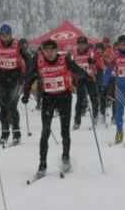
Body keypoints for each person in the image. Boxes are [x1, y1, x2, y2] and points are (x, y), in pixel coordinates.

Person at [22, 39, 88, 178]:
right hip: (48, 98)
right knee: (45, 132)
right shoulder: (38, 62)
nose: (49, 53)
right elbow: (29, 78)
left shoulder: (64, 59)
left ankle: (65, 158)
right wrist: (26, 94)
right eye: (47, 50)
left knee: (64, 131)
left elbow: (77, 70)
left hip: (64, 97)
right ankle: (42, 164)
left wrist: (84, 76)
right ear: (43, 51)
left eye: (52, 50)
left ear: (56, 50)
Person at [0, 24, 30, 145]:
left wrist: (25, 74)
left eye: (6, 35)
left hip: (15, 77)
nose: (4, 37)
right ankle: (5, 134)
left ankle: (16, 133)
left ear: (10, 34)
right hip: (1, 77)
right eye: (2, 35)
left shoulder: (17, 44)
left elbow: (28, 59)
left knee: (12, 105)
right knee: (3, 106)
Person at [72, 36, 99, 129]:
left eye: (83, 44)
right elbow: (72, 68)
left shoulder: (91, 53)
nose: (81, 46)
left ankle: (95, 114)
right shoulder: (74, 55)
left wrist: (93, 64)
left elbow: (98, 64)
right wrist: (74, 77)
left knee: (93, 97)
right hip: (80, 79)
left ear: (86, 44)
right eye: (79, 44)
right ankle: (77, 121)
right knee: (79, 100)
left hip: (90, 78)